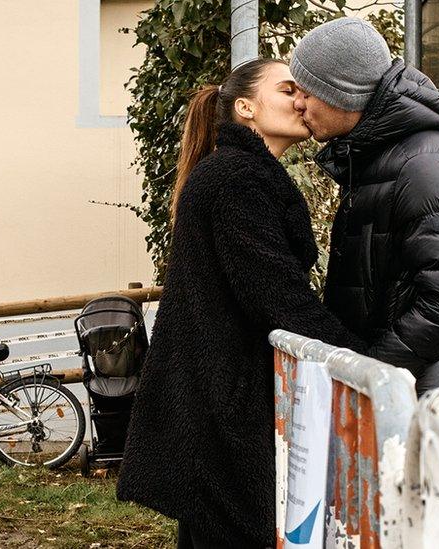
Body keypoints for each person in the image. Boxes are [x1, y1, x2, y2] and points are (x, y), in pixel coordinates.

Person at [116, 58, 366, 548]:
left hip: (217, 400)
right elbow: (277, 298)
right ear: (246, 107)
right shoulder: (236, 181)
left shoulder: (236, 174)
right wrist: (365, 360)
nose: (302, 100)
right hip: (224, 409)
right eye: (288, 89)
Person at [290, 17, 439, 400]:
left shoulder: (422, 164)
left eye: (307, 91)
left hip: (425, 398)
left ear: (343, 95)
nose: (297, 104)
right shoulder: (377, 157)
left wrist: (370, 369)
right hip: (401, 391)